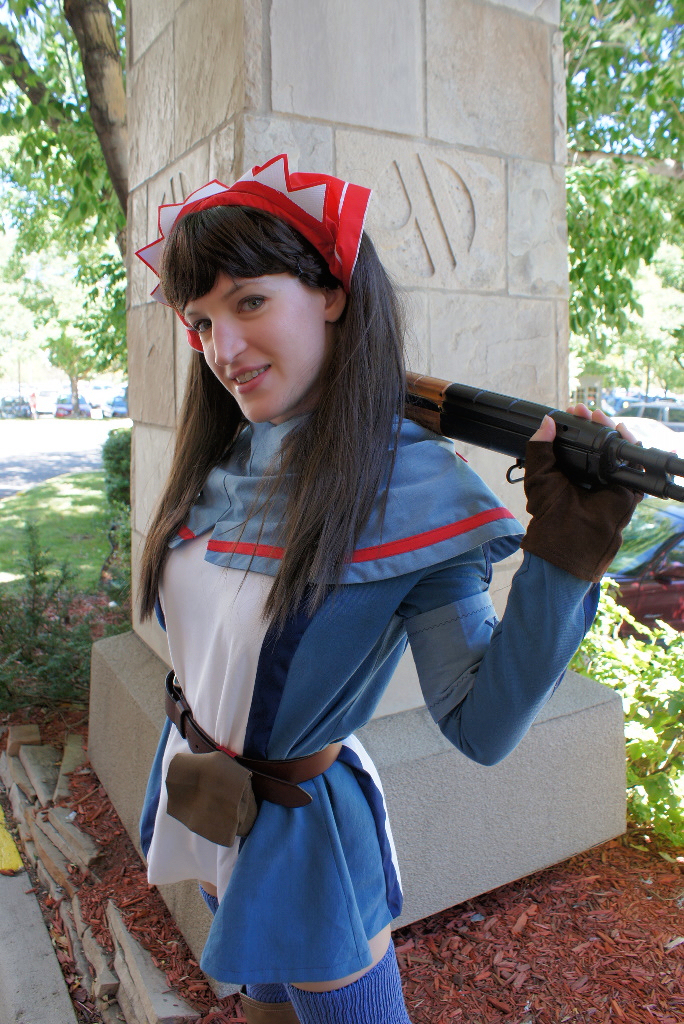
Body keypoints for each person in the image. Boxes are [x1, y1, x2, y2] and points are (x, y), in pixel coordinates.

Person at [135, 154, 639, 1024]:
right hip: (204, 794)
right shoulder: (223, 457)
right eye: (202, 321)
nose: (223, 350)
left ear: (331, 293)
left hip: (302, 832)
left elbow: (481, 726)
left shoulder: (411, 490)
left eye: (249, 303)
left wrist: (563, 558)